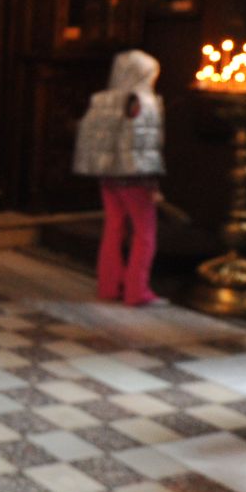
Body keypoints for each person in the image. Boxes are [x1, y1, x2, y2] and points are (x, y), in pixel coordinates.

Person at [72, 50, 166, 306]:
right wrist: (152, 183)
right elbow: (144, 145)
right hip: (134, 178)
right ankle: (137, 291)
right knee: (144, 235)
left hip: (107, 176)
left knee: (113, 229)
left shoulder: (104, 99)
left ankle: (109, 285)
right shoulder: (143, 101)